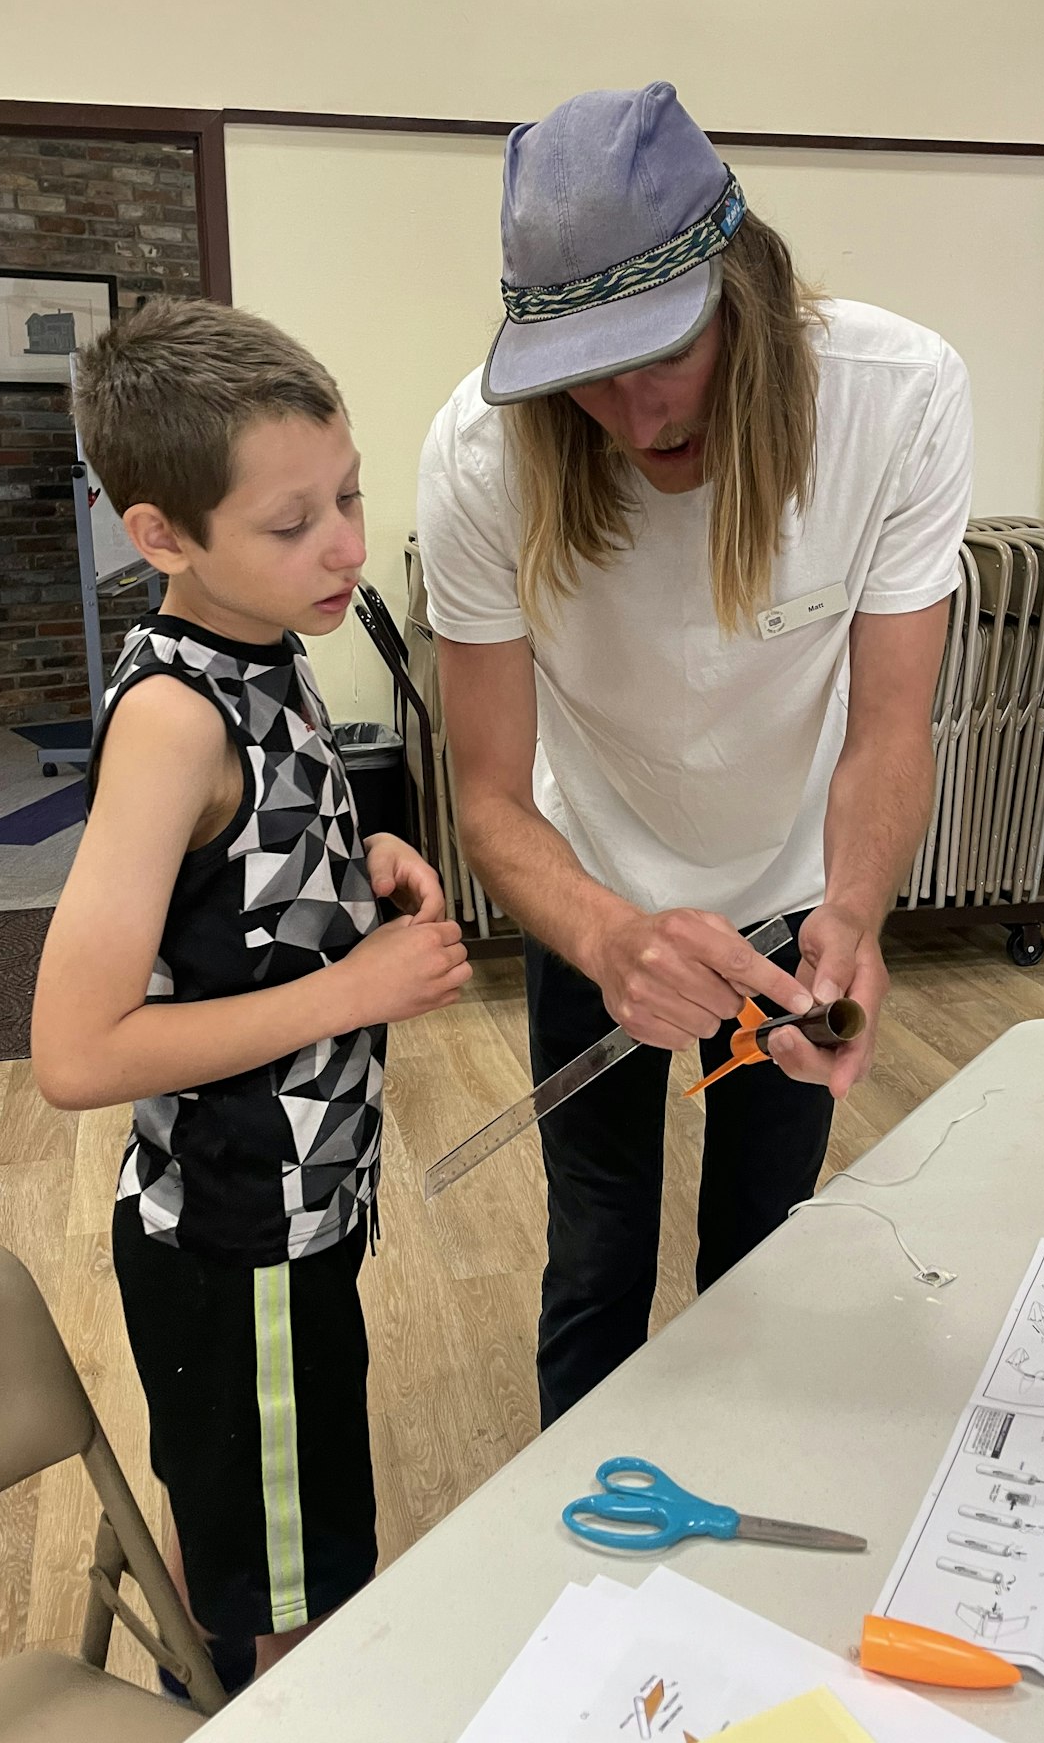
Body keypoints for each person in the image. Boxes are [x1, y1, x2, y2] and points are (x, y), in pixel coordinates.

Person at [417, 83, 973, 1426]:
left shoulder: (898, 401)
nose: (624, 409)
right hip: (590, 893)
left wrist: (851, 915)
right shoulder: (484, 457)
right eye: (580, 374)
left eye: (658, 354)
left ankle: (733, 1530)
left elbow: (891, 729)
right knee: (599, 1246)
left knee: (759, 1245)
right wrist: (609, 938)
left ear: (746, 293)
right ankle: (573, 1572)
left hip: (789, 903)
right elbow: (487, 796)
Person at [31, 299, 471, 1693]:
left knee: (289, 1541)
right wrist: (354, 985)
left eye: (346, 495)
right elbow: (77, 1048)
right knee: (291, 1608)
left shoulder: (267, 648)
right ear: (162, 534)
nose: (343, 543)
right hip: (238, 1239)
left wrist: (357, 868)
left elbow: (229, 898)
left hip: (302, 1212)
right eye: (293, 524)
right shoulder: (174, 718)